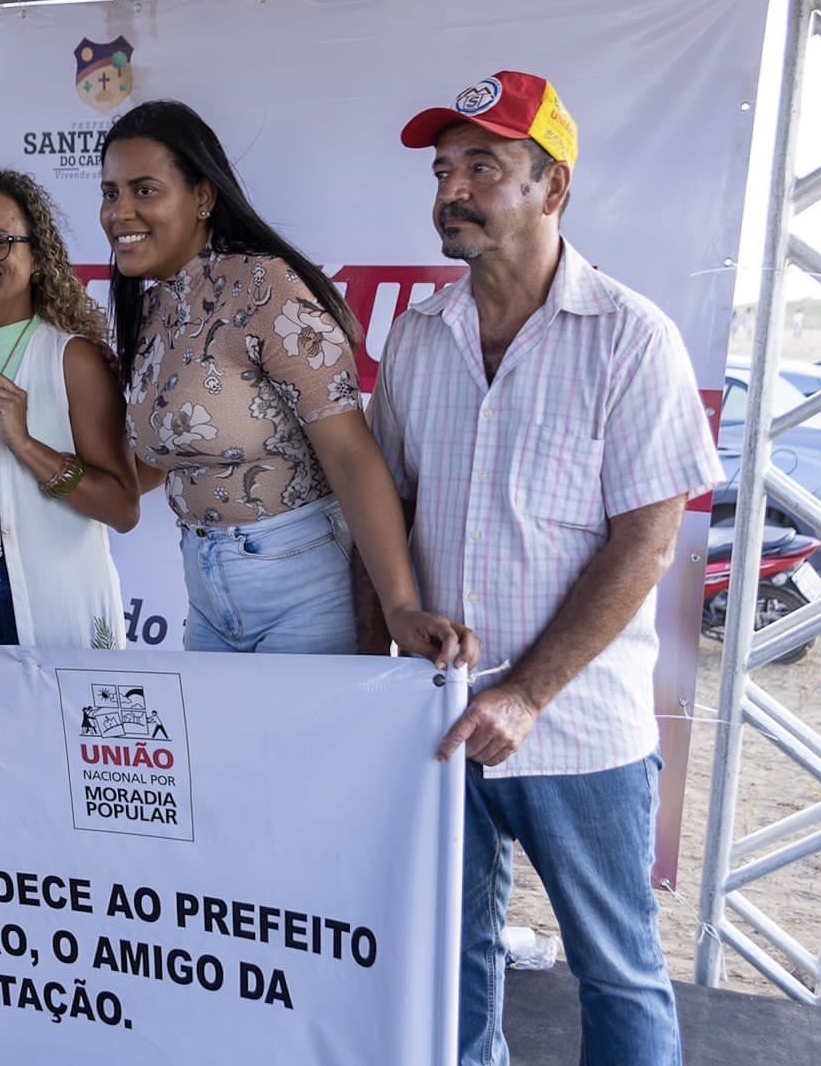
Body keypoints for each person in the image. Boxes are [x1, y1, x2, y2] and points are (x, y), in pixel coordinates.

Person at [365, 71, 723, 1065]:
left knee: (615, 968)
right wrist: (389, 637)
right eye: (444, 170)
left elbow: (647, 540)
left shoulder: (631, 336)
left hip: (580, 732)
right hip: (437, 718)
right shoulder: (420, 335)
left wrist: (526, 692)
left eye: (485, 166)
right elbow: (384, 509)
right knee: (457, 960)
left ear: (552, 188)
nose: (453, 188)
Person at [98, 99, 472, 666]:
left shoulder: (264, 287)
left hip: (301, 582)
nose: (120, 211)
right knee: (221, 755)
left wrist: (399, 606)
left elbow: (351, 456)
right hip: (205, 591)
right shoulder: (151, 310)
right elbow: (171, 454)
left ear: (202, 197)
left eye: (144, 190)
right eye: (111, 193)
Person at [0, 169, 138, 647]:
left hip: (58, 612)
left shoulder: (74, 358)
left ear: (37, 255)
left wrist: (24, 444)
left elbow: (123, 509)